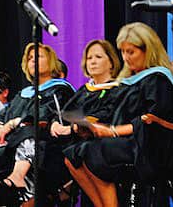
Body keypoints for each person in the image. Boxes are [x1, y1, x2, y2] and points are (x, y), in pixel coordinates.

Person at [63, 23, 173, 207]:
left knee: (91, 151)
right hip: (124, 141)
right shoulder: (127, 82)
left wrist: (112, 131)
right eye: (123, 52)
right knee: (72, 155)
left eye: (131, 52)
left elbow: (150, 120)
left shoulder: (158, 79)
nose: (126, 58)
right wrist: (93, 128)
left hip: (146, 145)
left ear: (148, 49)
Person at [0, 43, 75, 205]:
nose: (33, 61)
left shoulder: (59, 90)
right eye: (29, 58)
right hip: (13, 145)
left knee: (29, 131)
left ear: (51, 62)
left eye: (39, 57)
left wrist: (14, 123)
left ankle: (19, 177)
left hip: (48, 146)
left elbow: (46, 118)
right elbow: (1, 115)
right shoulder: (24, 93)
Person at [46, 40, 122, 204]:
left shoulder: (118, 89)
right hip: (78, 145)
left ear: (111, 62)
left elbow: (107, 115)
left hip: (104, 144)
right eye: (89, 58)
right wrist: (55, 123)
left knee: (80, 152)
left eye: (98, 57)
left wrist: (75, 127)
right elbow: (64, 113)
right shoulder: (84, 90)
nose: (93, 61)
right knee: (60, 155)